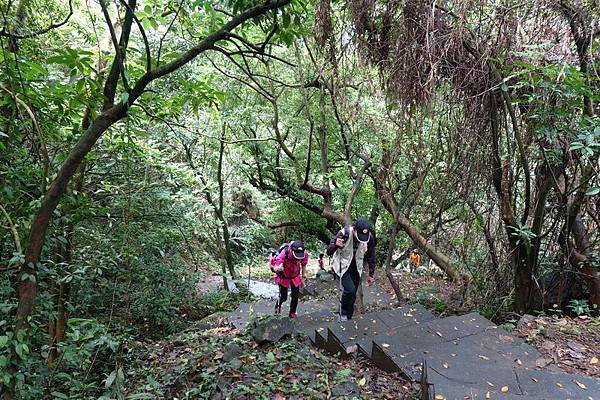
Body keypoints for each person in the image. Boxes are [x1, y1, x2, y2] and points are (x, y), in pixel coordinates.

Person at [326, 218, 376, 321]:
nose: (360, 240)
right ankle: (342, 313)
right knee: (350, 289)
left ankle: (348, 316)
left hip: (356, 266)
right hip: (342, 265)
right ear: (355, 230)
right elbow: (329, 252)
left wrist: (371, 274)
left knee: (353, 293)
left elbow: (371, 256)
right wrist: (335, 244)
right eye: (359, 236)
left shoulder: (369, 238)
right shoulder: (344, 233)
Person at [268, 240, 309, 319]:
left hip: (295, 276)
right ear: (291, 250)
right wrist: (278, 268)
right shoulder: (284, 253)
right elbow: (275, 267)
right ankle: (278, 305)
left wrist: (303, 277)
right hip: (284, 277)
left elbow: (304, 265)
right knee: (284, 296)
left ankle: (292, 312)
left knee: (295, 296)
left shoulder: (304, 253)